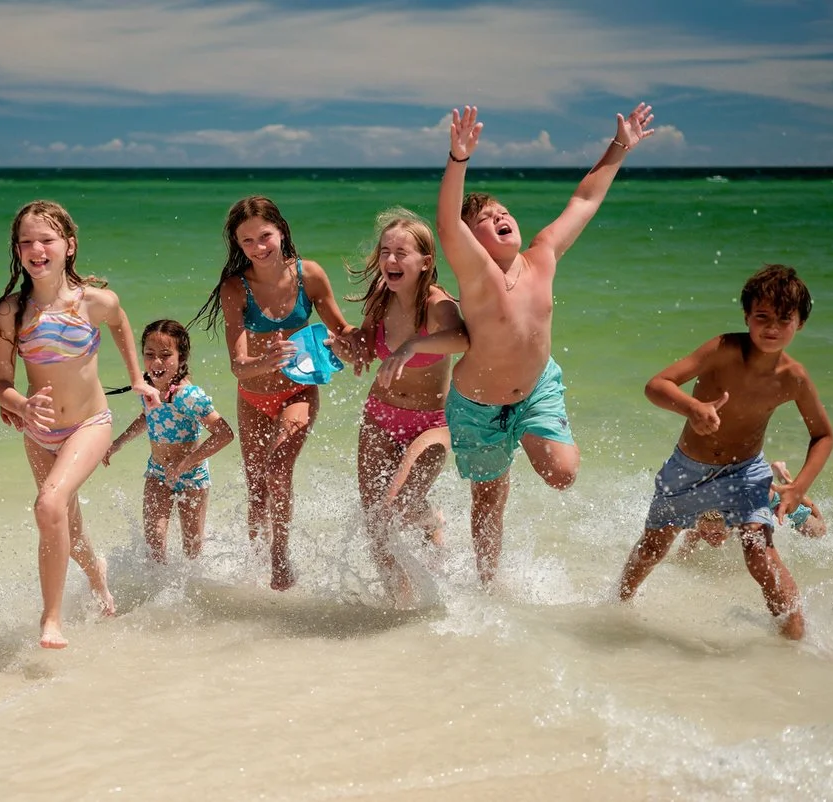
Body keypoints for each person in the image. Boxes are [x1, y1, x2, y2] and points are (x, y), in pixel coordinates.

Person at [436, 103, 655, 585]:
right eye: (487, 219)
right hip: (477, 405)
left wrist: (619, 147)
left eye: (504, 212)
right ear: (472, 241)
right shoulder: (477, 275)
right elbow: (447, 224)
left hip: (536, 388)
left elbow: (584, 201)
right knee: (488, 498)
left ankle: (525, 434)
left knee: (561, 474)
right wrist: (458, 159)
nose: (501, 218)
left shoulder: (543, 256)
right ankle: (487, 584)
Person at [617, 265, 833, 640]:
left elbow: (823, 435)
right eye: (762, 316)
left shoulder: (794, 377)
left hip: (745, 472)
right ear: (747, 316)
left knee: (760, 553)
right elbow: (657, 385)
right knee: (654, 547)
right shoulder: (723, 350)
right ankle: (618, 607)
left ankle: (796, 639)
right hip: (687, 469)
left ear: (800, 323)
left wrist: (798, 487)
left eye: (784, 318)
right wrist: (693, 408)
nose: (772, 327)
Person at [0, 200, 160, 649]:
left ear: (68, 245)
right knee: (67, 522)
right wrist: (20, 404)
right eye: (25, 241)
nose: (35, 249)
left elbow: (121, 323)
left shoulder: (94, 302)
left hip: (89, 423)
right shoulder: (11, 310)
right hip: (39, 432)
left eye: (46, 239)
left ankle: (51, 620)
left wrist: (137, 379)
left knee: (48, 505)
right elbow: (0, 379)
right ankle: (98, 576)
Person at [193, 195, 357, 591]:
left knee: (278, 468)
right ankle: (253, 564)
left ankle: (280, 559)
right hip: (251, 397)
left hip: (298, 392)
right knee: (256, 489)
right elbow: (237, 364)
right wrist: (266, 362)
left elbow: (343, 331)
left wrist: (358, 344)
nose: (258, 247)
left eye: (264, 236)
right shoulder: (236, 288)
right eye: (246, 241)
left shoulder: (310, 276)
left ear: (281, 231)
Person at [344, 208, 465, 603]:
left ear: (425, 261)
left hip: (431, 424)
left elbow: (462, 339)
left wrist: (415, 344)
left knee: (400, 507)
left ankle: (431, 520)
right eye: (385, 251)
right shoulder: (381, 296)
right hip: (380, 414)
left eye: (401, 253)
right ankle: (399, 599)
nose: (390, 260)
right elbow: (365, 339)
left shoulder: (437, 304)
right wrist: (349, 348)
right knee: (375, 518)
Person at [104, 319, 235, 564]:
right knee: (154, 548)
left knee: (192, 552)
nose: (156, 362)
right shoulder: (147, 388)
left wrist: (186, 463)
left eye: (165, 355)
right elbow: (147, 418)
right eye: (149, 354)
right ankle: (157, 598)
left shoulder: (188, 395)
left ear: (181, 358)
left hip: (192, 477)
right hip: (157, 472)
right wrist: (118, 443)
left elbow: (224, 434)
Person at [674, 460, 827, 559]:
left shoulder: (748, 520)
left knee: (818, 531)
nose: (710, 538)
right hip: (735, 488)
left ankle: (789, 484)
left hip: (767, 495)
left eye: (717, 533)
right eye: (704, 533)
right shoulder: (699, 524)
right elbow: (684, 553)